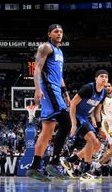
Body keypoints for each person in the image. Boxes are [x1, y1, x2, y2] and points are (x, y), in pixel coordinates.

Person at [27, 24, 71, 182]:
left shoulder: (60, 51)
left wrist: (65, 93)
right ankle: (53, 162)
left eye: (61, 31)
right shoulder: (46, 47)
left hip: (57, 91)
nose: (59, 33)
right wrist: (37, 89)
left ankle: (34, 167)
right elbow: (37, 68)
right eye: (56, 31)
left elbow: (59, 76)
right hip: (49, 91)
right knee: (67, 123)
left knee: (46, 133)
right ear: (49, 34)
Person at [68, 70, 108, 182]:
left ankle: (71, 159)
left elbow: (97, 111)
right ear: (96, 79)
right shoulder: (88, 88)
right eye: (101, 76)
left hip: (85, 117)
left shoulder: (104, 93)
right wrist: (73, 123)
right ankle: (86, 172)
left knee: (96, 145)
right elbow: (72, 104)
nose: (104, 78)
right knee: (90, 138)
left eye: (106, 77)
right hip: (76, 115)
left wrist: (100, 128)